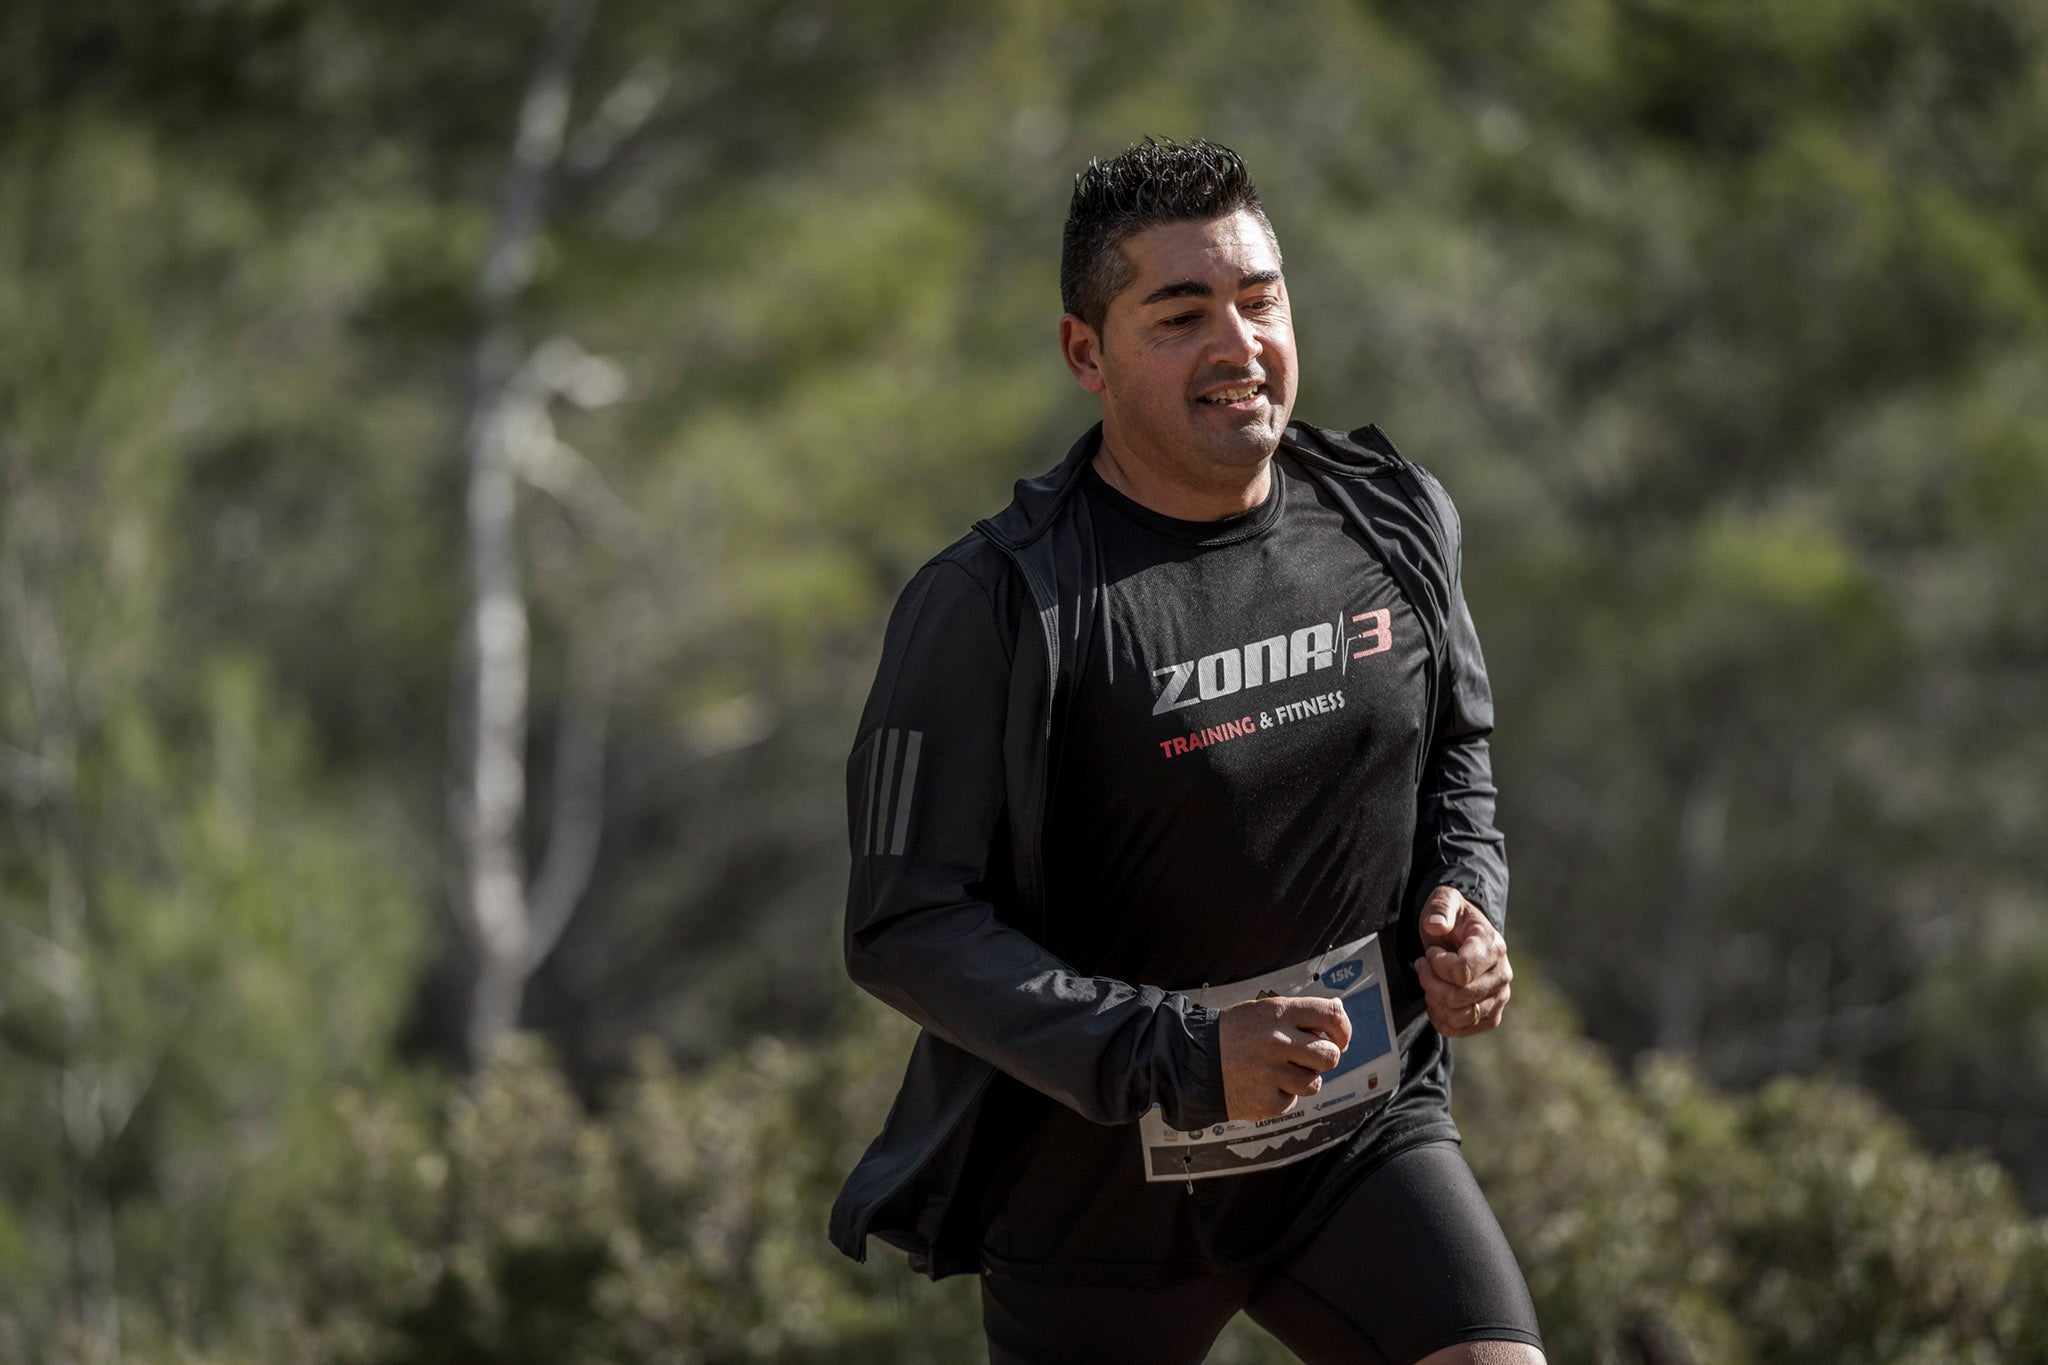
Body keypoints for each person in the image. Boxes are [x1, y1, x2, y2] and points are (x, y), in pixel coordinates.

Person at [829, 137, 1543, 1365]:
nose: (1237, 344)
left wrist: (1464, 908)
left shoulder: (1392, 517)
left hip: (1355, 1142)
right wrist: (1176, 1053)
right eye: (1179, 314)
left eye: (1258, 300)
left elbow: (1455, 758)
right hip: (1094, 1195)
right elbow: (902, 925)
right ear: (1084, 355)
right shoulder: (994, 603)